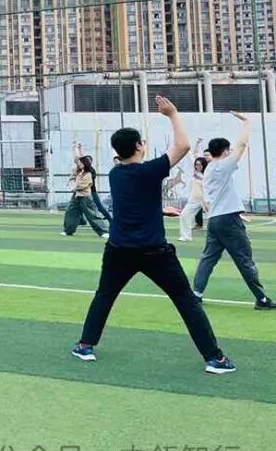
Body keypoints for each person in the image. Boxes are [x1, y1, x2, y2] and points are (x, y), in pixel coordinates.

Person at [71, 96, 236, 374]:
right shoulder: (148, 170)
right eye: (142, 142)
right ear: (139, 146)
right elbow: (183, 146)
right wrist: (172, 114)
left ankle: (85, 345)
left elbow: (135, 201)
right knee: (185, 300)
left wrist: (159, 211)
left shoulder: (115, 174)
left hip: (119, 250)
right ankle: (214, 358)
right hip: (154, 252)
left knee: (105, 295)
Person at [192, 113, 275, 310]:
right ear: (223, 151)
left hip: (215, 220)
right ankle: (261, 299)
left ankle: (196, 295)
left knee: (208, 258)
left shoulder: (210, 169)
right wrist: (246, 122)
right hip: (227, 221)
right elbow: (242, 145)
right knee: (244, 259)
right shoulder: (222, 165)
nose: (231, 152)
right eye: (228, 150)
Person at [62, 153, 108, 238]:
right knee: (70, 213)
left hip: (85, 196)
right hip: (76, 196)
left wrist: (74, 187)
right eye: (78, 163)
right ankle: (68, 230)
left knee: (92, 214)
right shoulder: (78, 171)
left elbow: (84, 184)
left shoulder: (89, 173)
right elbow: (72, 177)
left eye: (80, 163)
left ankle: (103, 231)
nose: (79, 164)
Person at [178, 157, 208, 243]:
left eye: (200, 165)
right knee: (184, 215)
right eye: (196, 165)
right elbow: (190, 157)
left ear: (203, 165)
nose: (197, 166)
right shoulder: (193, 174)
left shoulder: (207, 175)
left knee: (214, 218)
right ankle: (186, 236)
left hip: (205, 199)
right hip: (194, 200)